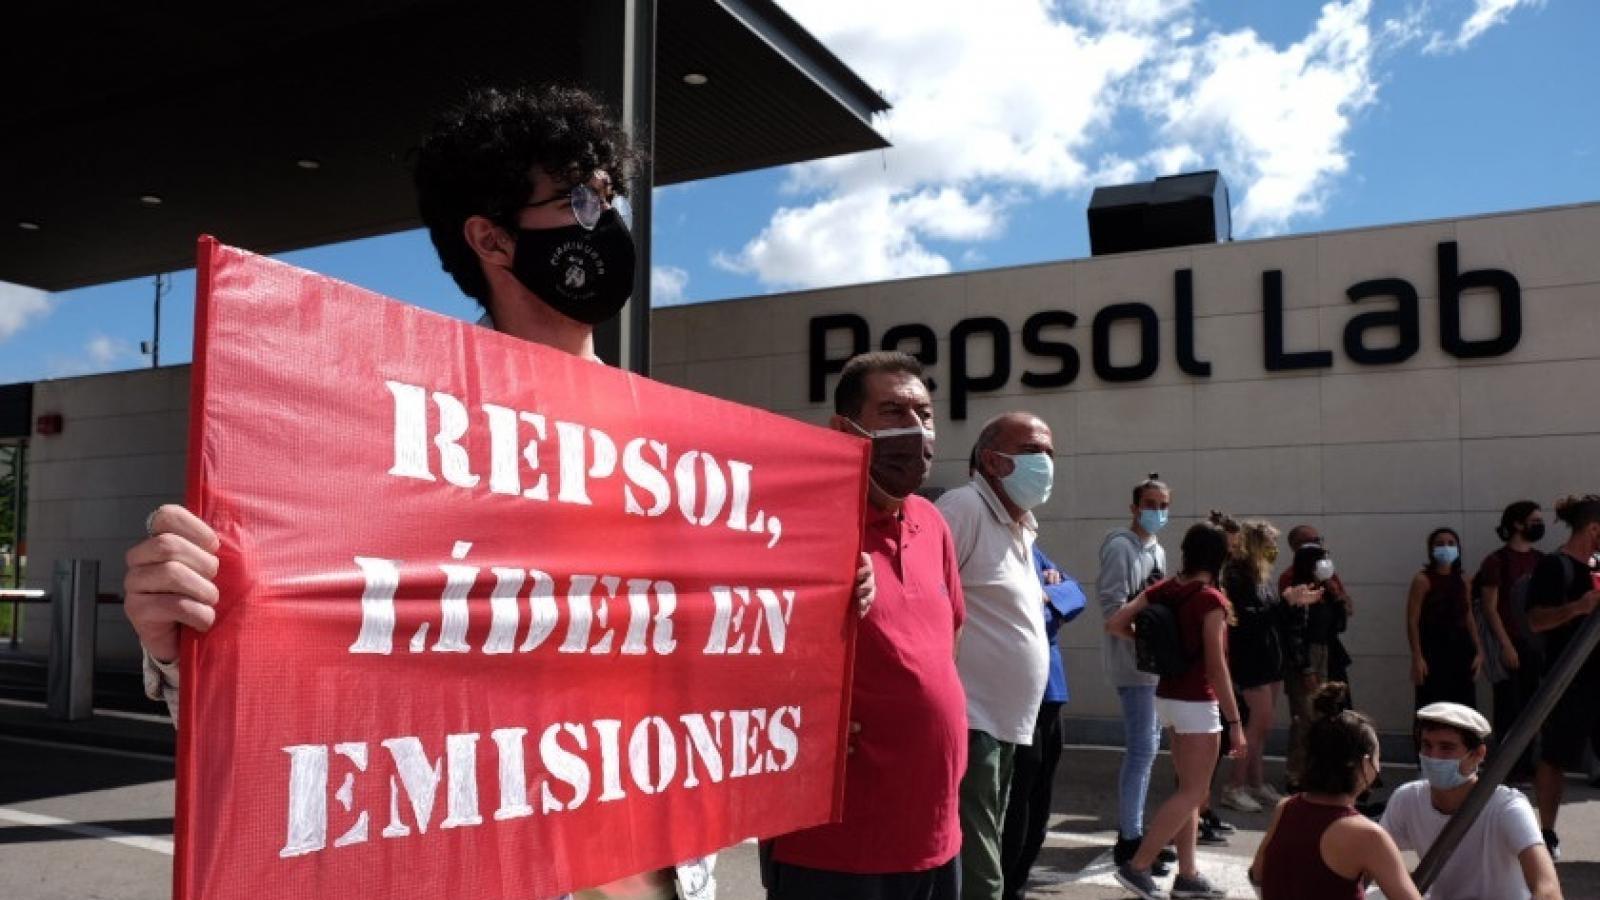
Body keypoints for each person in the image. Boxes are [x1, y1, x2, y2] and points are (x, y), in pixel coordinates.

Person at [121, 85, 875, 900]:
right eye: (579, 198)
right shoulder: (383, 441)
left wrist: (815, 606)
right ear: (491, 239)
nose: (606, 219)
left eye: (608, 196)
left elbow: (721, 662)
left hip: (666, 872)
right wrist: (179, 641)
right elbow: (302, 717)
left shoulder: (682, 464)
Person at [764, 351, 967, 900]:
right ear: (843, 428)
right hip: (834, 847)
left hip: (935, 836)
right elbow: (741, 650)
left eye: (925, 415)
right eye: (895, 413)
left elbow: (946, 640)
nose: (917, 430)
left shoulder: (933, 522)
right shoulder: (796, 522)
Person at [935, 412, 1056, 900]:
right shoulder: (963, 507)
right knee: (979, 862)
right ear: (991, 458)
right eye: (1033, 452)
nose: (1045, 462)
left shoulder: (1020, 526)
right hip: (971, 717)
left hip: (1007, 721)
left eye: (1050, 453)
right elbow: (930, 602)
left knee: (990, 839)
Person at [1106, 520, 1244, 900]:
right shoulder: (1211, 599)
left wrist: (1165, 648)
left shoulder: (1165, 588)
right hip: (1198, 704)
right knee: (1196, 791)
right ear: (1219, 557)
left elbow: (1116, 623)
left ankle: (1188, 875)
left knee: (1188, 790)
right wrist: (1235, 722)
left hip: (1165, 698)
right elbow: (1217, 668)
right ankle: (1137, 866)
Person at [1380, 702, 1561, 900]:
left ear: (1477, 755)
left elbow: (1548, 888)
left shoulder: (1507, 806)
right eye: (1427, 745)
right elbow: (1371, 858)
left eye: (1446, 748)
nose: (1433, 756)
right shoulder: (1406, 799)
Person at [1250, 692, 1421, 900]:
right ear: (1365, 764)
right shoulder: (1367, 834)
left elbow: (1257, 874)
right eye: (1378, 758)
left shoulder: (1286, 807)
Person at [1000, 544, 1085, 900]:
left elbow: (1076, 593)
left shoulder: (1030, 547)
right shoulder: (1000, 549)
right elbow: (1021, 619)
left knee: (1041, 793)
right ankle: (1007, 882)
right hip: (1020, 692)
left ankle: (1018, 879)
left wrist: (1049, 597)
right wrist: (1048, 600)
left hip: (1051, 690)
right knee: (1020, 792)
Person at [1100, 474, 1174, 872]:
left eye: (1164, 505)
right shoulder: (1120, 548)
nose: (1157, 512)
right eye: (1150, 504)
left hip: (1152, 668)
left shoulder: (1157, 551)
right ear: (1134, 508)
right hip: (1134, 667)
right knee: (1141, 752)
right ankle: (1129, 839)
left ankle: (1137, 831)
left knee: (1148, 751)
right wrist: (1149, 641)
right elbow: (1113, 613)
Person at [1527, 494, 1600, 860]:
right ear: (1593, 529)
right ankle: (1548, 832)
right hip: (1569, 680)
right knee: (1555, 756)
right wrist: (1578, 608)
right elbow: (1537, 620)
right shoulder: (1555, 567)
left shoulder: (1598, 566)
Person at [1220, 519, 1301, 813]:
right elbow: (1247, 621)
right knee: (1255, 726)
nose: (1274, 550)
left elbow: (1272, 617)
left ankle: (1255, 782)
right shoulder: (1237, 576)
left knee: (1263, 726)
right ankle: (1234, 786)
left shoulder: (1261, 577)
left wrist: (1292, 604)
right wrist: (1284, 604)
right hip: (1251, 659)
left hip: (1270, 657)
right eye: (1268, 544)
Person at [1473, 501, 1545, 781]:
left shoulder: (1540, 559)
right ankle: (1508, 769)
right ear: (1517, 524)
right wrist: (1506, 645)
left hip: (1535, 645)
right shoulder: (1496, 561)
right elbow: (1490, 608)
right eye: (1534, 520)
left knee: (1533, 708)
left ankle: (1527, 765)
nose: (1539, 525)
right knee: (1509, 710)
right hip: (1510, 644)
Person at [1280, 536, 1344, 790]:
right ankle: (1295, 773)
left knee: (1322, 716)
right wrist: (1305, 667)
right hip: (1303, 658)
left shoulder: (1325, 591)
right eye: (1320, 560)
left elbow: (1338, 625)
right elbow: (1294, 634)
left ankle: (1316, 770)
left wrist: (1336, 596)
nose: (1325, 564)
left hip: (1324, 652)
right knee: (1304, 717)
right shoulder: (1298, 592)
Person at [1406, 527, 1484, 710]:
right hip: (1433, 651)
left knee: (1463, 704)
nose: (1446, 547)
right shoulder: (1423, 580)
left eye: (1451, 543)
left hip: (1462, 649)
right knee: (1433, 704)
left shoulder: (1463, 579)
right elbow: (1412, 621)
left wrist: (1479, 650)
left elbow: (1469, 616)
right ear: (1431, 549)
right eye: (1440, 544)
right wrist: (1417, 656)